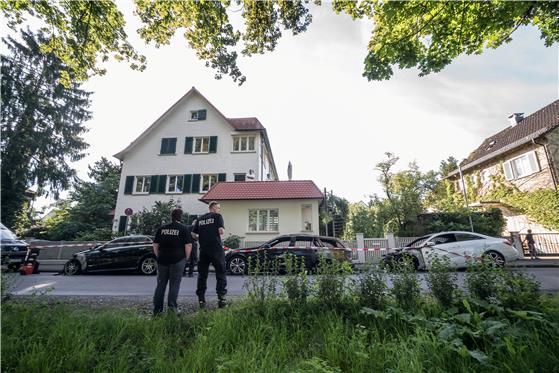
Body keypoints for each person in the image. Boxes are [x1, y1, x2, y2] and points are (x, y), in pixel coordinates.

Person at [152, 208, 192, 315]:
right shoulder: (183, 229)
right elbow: (188, 245)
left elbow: (155, 244)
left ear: (171, 216)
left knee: (161, 284)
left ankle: (157, 310)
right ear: (180, 217)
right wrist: (186, 258)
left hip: (162, 260)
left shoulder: (162, 228)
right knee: (174, 284)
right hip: (177, 260)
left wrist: (158, 255)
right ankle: (172, 309)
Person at [192, 201, 227, 309]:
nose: (219, 209)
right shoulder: (217, 216)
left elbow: (193, 234)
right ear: (213, 207)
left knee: (202, 275)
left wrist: (201, 238)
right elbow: (221, 231)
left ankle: (201, 300)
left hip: (203, 250)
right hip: (216, 249)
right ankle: (221, 300)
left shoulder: (200, 219)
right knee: (221, 273)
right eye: (218, 208)